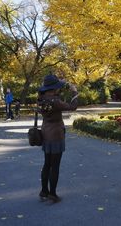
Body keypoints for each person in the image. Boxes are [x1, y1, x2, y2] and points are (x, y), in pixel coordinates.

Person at [37, 74, 78, 203]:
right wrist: (75, 92)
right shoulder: (55, 101)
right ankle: (53, 194)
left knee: (46, 164)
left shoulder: (41, 99)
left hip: (45, 134)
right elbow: (73, 107)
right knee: (55, 166)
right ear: (54, 88)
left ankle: (44, 191)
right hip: (56, 135)